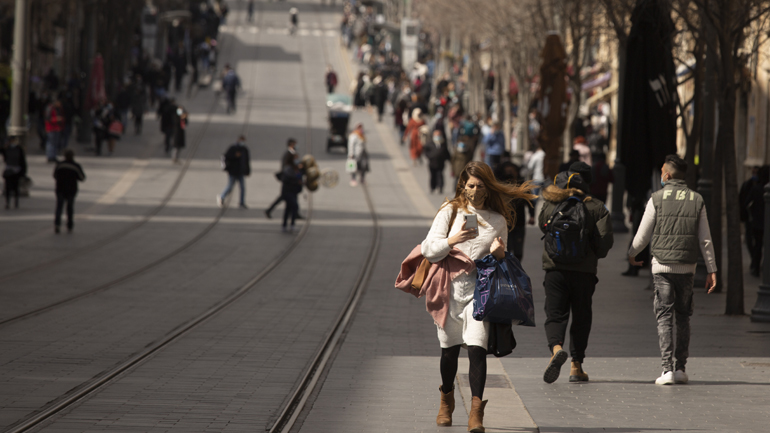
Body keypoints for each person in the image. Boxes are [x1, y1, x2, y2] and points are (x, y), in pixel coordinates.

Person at [420, 161, 535, 432]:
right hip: (449, 290)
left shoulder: (497, 220)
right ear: (463, 185)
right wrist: (453, 239)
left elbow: (503, 260)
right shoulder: (450, 211)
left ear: (488, 187)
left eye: (480, 186)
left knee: (477, 348)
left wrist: (500, 254)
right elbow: (428, 249)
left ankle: (476, 413)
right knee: (449, 351)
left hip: (480, 293)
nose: (474, 190)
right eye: (470, 185)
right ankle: (446, 400)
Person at [627, 154, 718, 385]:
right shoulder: (697, 199)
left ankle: (666, 369)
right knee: (684, 317)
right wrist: (711, 269)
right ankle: (680, 369)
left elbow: (642, 235)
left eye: (661, 171)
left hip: (662, 266)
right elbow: (705, 239)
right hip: (687, 267)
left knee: (664, 317)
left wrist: (632, 254)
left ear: (666, 175)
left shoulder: (656, 198)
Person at [539, 161, 614, 384]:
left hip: (554, 269)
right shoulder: (597, 207)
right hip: (584, 272)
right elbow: (605, 243)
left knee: (555, 314)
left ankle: (556, 349)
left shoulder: (551, 204)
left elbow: (543, 227)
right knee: (581, 317)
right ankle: (576, 366)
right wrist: (591, 253)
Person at [495, 162, 536, 260]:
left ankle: (516, 266)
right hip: (504, 223)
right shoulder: (500, 186)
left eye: (512, 171)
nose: (510, 174)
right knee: (506, 249)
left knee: (518, 250)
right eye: (508, 172)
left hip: (519, 222)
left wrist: (532, 215)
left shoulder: (522, 186)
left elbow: (530, 201)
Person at [266, 139, 302, 218]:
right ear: (291, 145)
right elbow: (286, 167)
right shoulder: (288, 154)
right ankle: (269, 210)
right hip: (288, 180)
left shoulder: (291, 153)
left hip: (290, 180)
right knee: (286, 196)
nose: (296, 146)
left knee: (289, 196)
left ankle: (295, 213)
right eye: (295, 144)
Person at [743, 165, 769, 277]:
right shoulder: (756, 188)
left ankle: (756, 267)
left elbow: (747, 203)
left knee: (757, 245)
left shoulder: (756, 189)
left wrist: (752, 214)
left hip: (757, 223)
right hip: (761, 223)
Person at [53, 149, 86, 233]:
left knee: (59, 207)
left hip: (60, 188)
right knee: (70, 207)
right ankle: (70, 225)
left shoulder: (60, 165)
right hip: (71, 189)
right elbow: (82, 178)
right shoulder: (76, 166)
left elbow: (55, 175)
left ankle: (57, 224)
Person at [217, 135, 251, 209]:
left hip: (240, 172)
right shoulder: (233, 148)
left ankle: (242, 202)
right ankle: (221, 197)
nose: (242, 142)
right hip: (233, 172)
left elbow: (247, 161)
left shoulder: (244, 149)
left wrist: (247, 171)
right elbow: (226, 157)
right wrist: (235, 156)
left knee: (242, 187)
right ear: (238, 140)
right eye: (241, 141)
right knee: (230, 186)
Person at [740, 166, 763, 276]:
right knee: (751, 241)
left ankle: (755, 263)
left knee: (758, 244)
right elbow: (743, 201)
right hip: (750, 219)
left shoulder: (760, 187)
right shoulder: (747, 185)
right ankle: (755, 261)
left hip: (757, 220)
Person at [280, 148, 303, 232]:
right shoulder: (288, 168)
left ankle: (286, 225)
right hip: (288, 192)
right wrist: (297, 181)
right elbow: (288, 179)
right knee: (294, 206)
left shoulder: (297, 168)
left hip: (294, 191)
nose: (297, 160)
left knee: (289, 208)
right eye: (296, 158)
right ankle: (289, 224)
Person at [2, 136, 27, 209]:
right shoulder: (6, 149)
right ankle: (7, 202)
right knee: (7, 188)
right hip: (8, 171)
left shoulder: (19, 149)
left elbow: (23, 161)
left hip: (17, 171)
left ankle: (16, 202)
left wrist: (23, 173)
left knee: (16, 187)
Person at [424, 129, 450, 194]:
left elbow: (446, 153)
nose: (437, 137)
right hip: (432, 163)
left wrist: (449, 159)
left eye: (439, 135)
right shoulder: (429, 143)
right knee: (433, 176)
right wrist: (430, 156)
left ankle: (440, 187)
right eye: (436, 135)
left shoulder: (443, 143)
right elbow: (426, 152)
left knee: (440, 175)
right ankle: (433, 187)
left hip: (440, 163)